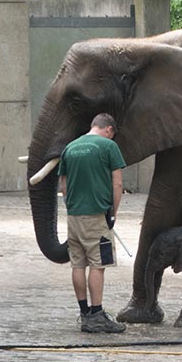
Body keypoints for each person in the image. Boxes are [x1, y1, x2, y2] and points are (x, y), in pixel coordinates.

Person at [58, 112, 127, 333]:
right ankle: (97, 314)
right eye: (112, 135)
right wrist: (113, 213)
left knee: (78, 264)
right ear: (109, 130)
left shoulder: (70, 148)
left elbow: (64, 186)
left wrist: (73, 208)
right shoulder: (108, 147)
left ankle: (84, 313)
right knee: (98, 264)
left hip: (74, 216)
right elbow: (117, 185)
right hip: (98, 216)